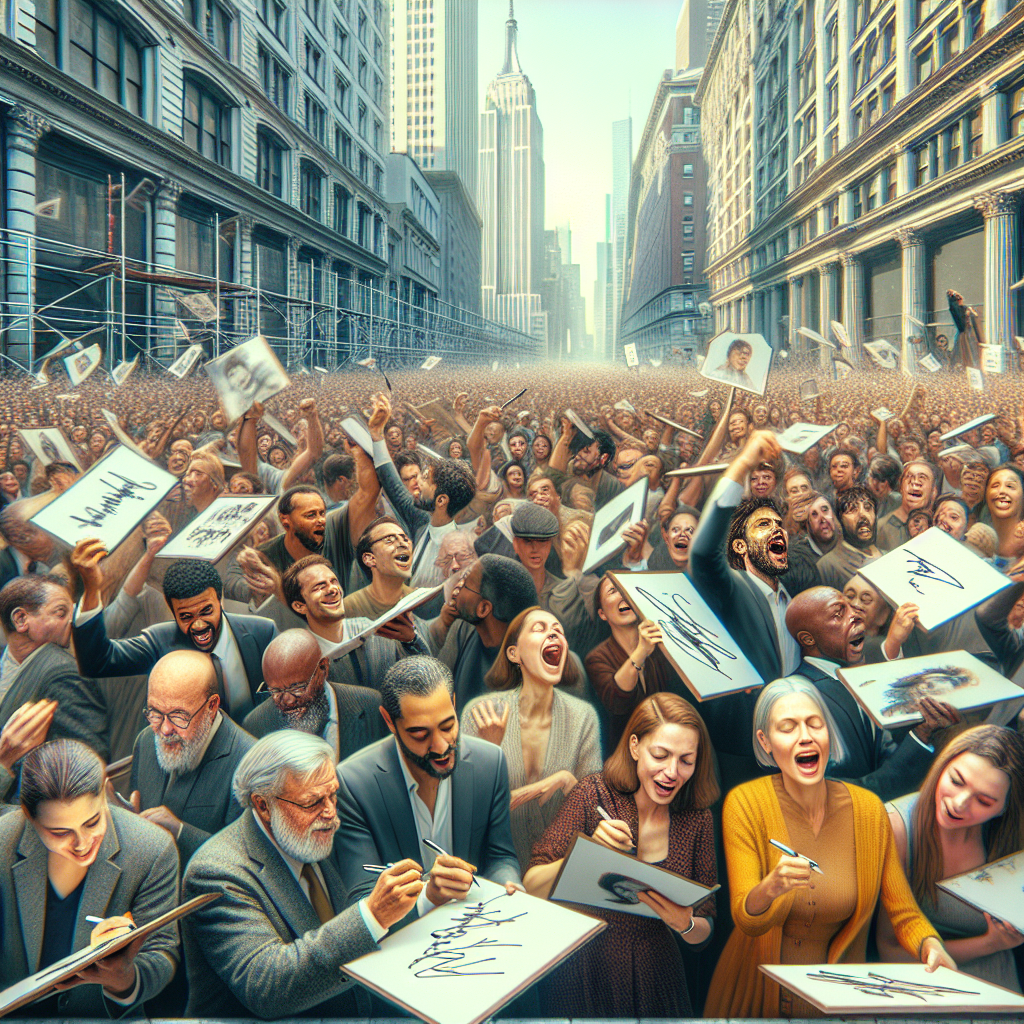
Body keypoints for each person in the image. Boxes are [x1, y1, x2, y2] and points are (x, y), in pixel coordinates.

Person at [706, 678, 955, 1018]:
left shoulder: (868, 810)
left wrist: (930, 944)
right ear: (765, 742)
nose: (805, 736)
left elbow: (903, 912)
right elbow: (746, 920)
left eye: (814, 723)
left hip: (835, 1000)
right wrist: (771, 887)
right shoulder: (745, 803)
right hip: (754, 995)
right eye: (787, 728)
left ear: (828, 733)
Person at [181, 731, 424, 1017]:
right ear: (263, 805)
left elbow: (372, 916)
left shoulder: (319, 830)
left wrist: (426, 897)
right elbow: (268, 987)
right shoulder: (217, 872)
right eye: (312, 802)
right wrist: (371, 916)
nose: (331, 813)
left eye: (333, 794)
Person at [523, 694, 718, 1018]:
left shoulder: (697, 819)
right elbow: (532, 884)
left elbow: (707, 926)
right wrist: (586, 853)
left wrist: (686, 925)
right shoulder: (592, 793)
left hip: (657, 976)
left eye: (686, 760)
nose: (672, 772)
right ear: (635, 747)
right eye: (661, 754)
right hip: (582, 970)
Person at [332, 656, 522, 926]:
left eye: (448, 726)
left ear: (454, 704)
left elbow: (500, 855)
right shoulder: (353, 785)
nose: (442, 746)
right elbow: (362, 900)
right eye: (420, 734)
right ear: (389, 721)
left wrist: (509, 883)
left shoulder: (490, 763)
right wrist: (428, 897)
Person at [0, 740, 179, 1016]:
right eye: (60, 833)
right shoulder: (3, 842)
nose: (82, 844)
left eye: (93, 822)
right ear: (29, 817)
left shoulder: (152, 849)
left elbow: (161, 954)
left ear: (104, 794)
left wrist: (123, 978)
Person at [688, 430, 800, 788]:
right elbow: (703, 553)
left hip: (791, 750)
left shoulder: (796, 604)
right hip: (740, 754)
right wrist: (743, 465)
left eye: (780, 525)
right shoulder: (731, 592)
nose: (777, 531)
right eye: (763, 525)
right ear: (740, 545)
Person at [876, 725, 1024, 990]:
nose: (959, 803)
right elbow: (890, 951)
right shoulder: (897, 826)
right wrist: (990, 943)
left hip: (1001, 988)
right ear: (941, 766)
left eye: (985, 801)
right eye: (956, 781)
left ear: (1004, 808)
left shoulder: (1009, 836)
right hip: (923, 988)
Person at [784, 586, 959, 801]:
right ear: (808, 639)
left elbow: (885, 754)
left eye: (852, 608)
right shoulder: (795, 698)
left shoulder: (858, 678)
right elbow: (838, 791)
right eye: (839, 614)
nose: (856, 614)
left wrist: (923, 732)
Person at [461, 607, 602, 871]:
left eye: (558, 630)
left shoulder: (584, 717)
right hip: (493, 874)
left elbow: (594, 817)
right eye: (540, 628)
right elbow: (466, 814)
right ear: (514, 654)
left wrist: (568, 781)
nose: (553, 634)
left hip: (558, 873)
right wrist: (490, 750)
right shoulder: (480, 714)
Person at [72, 549, 277, 721]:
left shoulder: (262, 633)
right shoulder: (160, 642)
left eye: (206, 611)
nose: (198, 625)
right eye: (186, 616)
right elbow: (97, 662)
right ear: (172, 612)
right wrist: (91, 589)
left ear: (220, 600)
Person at [127, 649, 255, 864]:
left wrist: (181, 833)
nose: (165, 729)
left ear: (212, 706)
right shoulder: (146, 741)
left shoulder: (250, 764)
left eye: (179, 716)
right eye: (155, 712)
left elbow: (248, 862)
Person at [0, 575, 109, 760]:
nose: (72, 621)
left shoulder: (66, 675)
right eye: (61, 613)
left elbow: (88, 758)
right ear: (20, 619)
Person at [242, 628, 385, 762]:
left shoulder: (372, 705)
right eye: (276, 691)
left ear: (323, 667)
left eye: (297, 687)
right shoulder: (255, 726)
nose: (288, 700)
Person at [428, 553, 539, 709]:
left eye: (465, 582)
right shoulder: (462, 630)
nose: (457, 585)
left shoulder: (528, 669)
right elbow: (433, 688)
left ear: (483, 608)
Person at [585, 574, 677, 744]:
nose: (623, 595)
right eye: (613, 591)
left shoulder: (663, 646)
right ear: (602, 614)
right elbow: (617, 701)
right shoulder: (596, 658)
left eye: (627, 589)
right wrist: (642, 651)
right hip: (627, 748)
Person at [346, 515, 414, 620]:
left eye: (405, 539)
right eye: (390, 540)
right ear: (369, 559)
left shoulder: (419, 598)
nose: (403, 544)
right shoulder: (349, 607)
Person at [816, 487, 882, 590]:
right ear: (839, 519)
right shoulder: (827, 566)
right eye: (852, 510)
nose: (862, 515)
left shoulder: (888, 555)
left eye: (868, 508)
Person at [877, 459, 939, 552]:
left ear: (933, 492)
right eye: (909, 477)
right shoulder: (881, 528)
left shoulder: (939, 526)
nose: (915, 483)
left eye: (922, 478)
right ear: (901, 487)